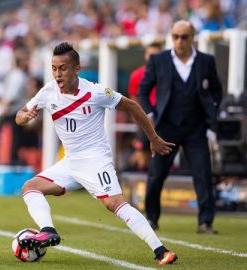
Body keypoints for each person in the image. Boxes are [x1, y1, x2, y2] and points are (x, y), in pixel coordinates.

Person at [15, 42, 178, 265]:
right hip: (70, 162)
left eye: (62, 68)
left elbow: (132, 107)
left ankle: (160, 250)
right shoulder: (48, 91)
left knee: (115, 204)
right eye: (54, 68)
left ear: (76, 69)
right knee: (30, 187)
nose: (57, 74)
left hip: (95, 160)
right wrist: (24, 117)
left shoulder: (96, 92)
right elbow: (20, 114)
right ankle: (48, 231)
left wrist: (153, 138)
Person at [138, 20, 222, 234]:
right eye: (175, 36)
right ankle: (152, 219)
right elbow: (143, 90)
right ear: (171, 37)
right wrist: (151, 113)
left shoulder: (206, 61)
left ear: (193, 37)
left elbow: (216, 90)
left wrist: (211, 113)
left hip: (196, 128)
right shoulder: (159, 60)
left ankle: (205, 222)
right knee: (156, 175)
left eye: (184, 36)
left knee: (203, 174)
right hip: (166, 128)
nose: (180, 41)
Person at [127, 43, 162, 171]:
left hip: (162, 117)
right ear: (145, 55)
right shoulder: (137, 75)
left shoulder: (166, 74)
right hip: (144, 116)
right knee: (142, 149)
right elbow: (133, 97)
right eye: (150, 55)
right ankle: (139, 174)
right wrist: (136, 115)